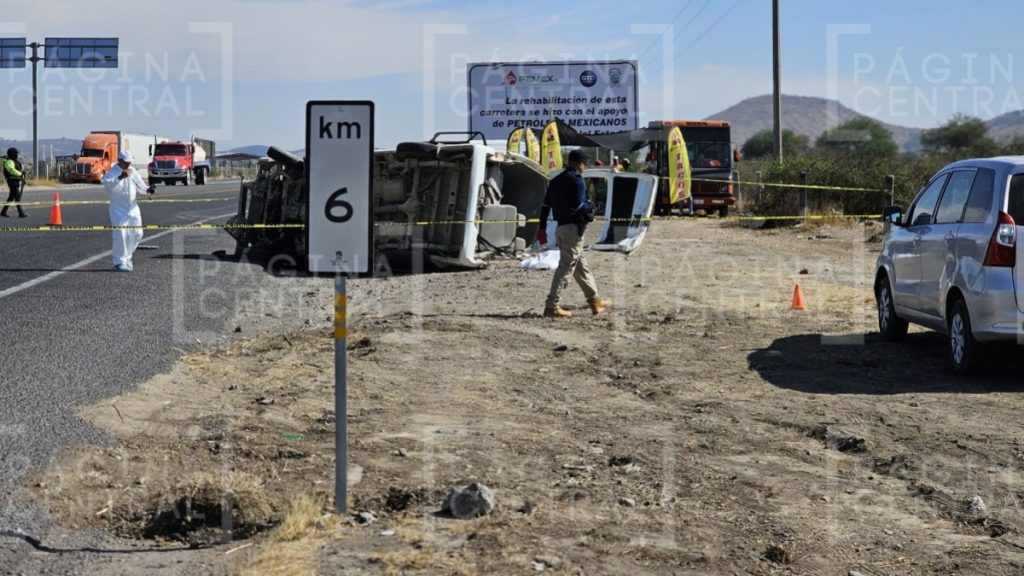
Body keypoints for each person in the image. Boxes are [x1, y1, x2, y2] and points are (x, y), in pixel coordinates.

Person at [536, 149, 612, 318]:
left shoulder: (555, 181)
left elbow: (545, 206)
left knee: (580, 266)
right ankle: (552, 306)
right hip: (573, 230)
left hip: (561, 229)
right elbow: (578, 206)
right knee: (566, 268)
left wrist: (541, 227)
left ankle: (595, 301)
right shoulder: (577, 181)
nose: (584, 168)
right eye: (584, 165)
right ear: (579, 164)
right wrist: (591, 207)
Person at [102, 150, 155, 272]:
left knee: (137, 234)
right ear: (119, 161)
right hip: (118, 209)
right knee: (120, 235)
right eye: (126, 162)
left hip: (133, 208)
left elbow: (140, 185)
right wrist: (120, 177)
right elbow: (108, 186)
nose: (128, 165)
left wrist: (148, 190)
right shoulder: (113, 171)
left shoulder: (132, 171)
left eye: (130, 162)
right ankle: (119, 262)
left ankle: (127, 257)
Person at [1, 147, 26, 218]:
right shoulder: (9, 162)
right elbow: (11, 170)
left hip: (15, 181)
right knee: (17, 197)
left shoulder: (14, 161)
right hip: (12, 181)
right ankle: (21, 213)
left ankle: (3, 212)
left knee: (11, 197)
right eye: (16, 153)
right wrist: (20, 173)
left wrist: (22, 177)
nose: (17, 155)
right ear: (13, 154)